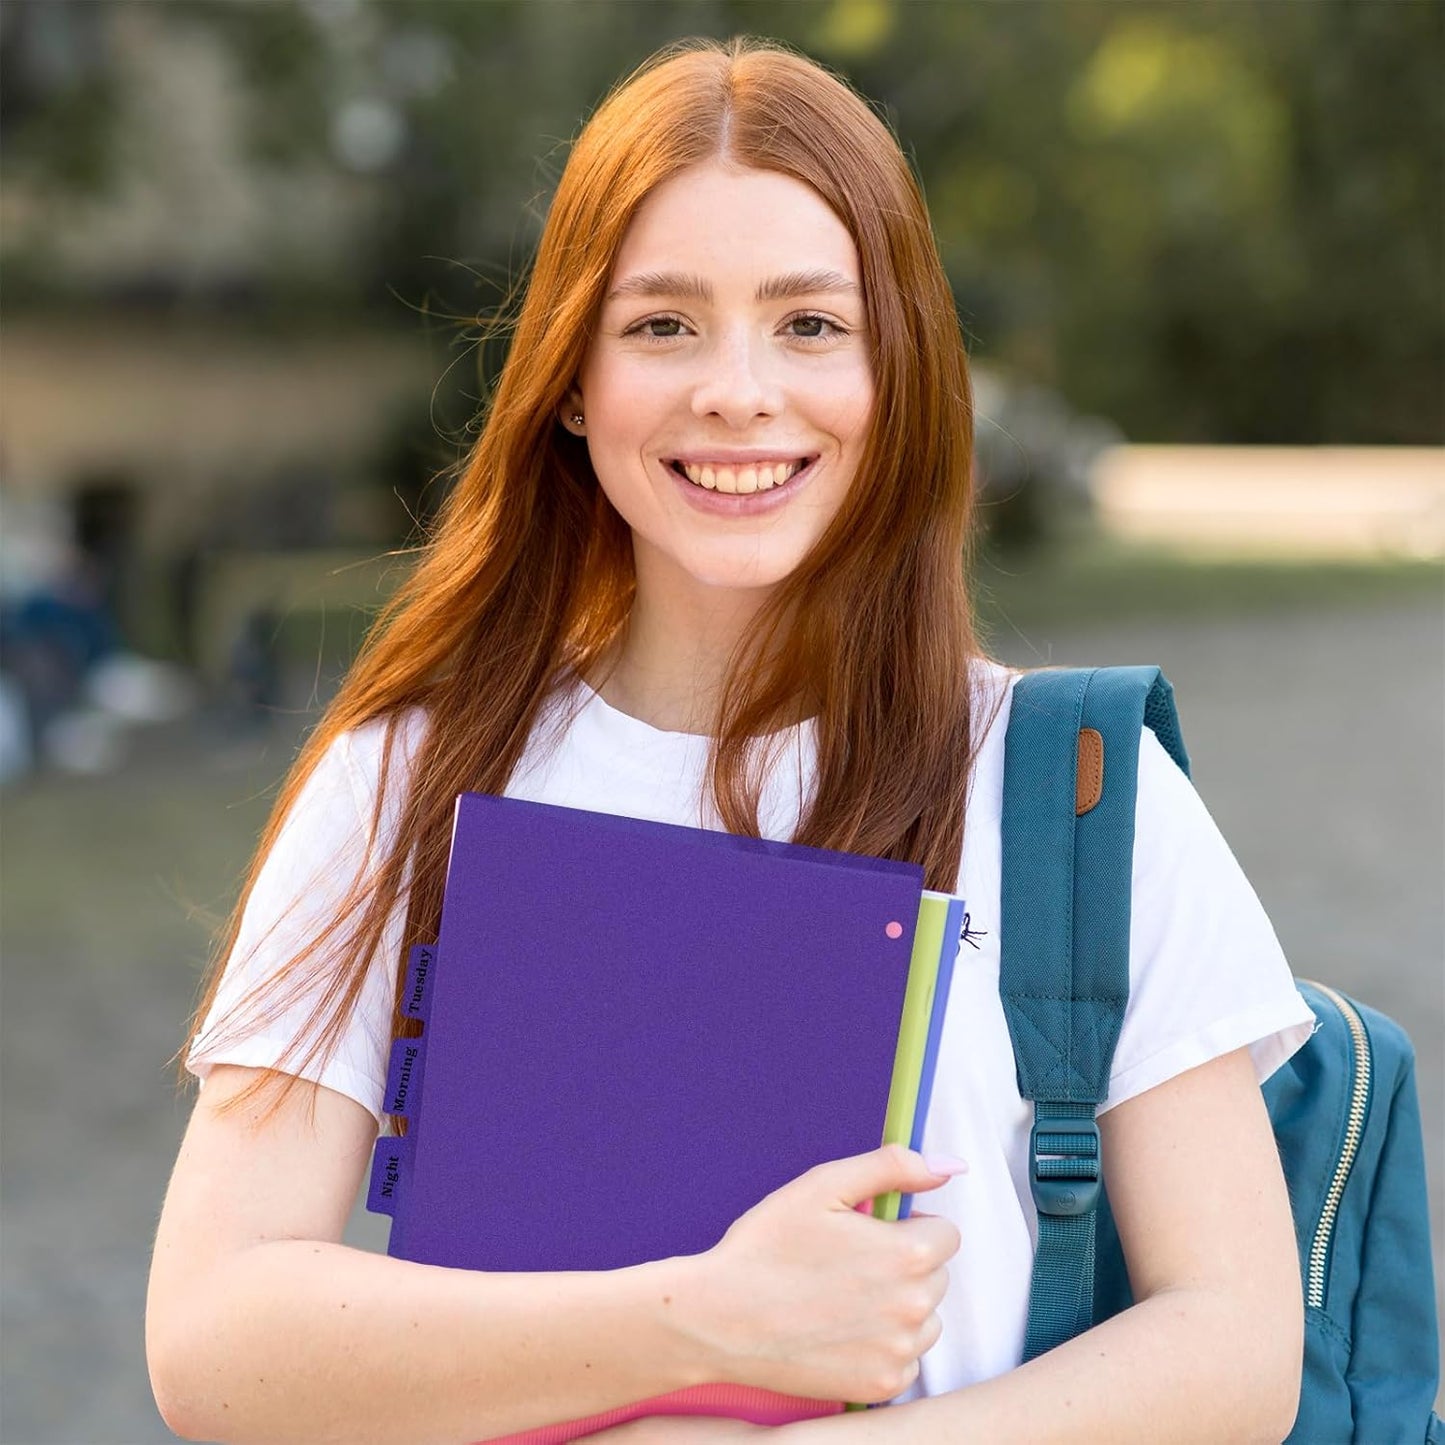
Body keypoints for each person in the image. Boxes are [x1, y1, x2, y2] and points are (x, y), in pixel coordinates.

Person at [146, 36, 1316, 1445]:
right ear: (570, 380)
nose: (737, 391)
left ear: (900, 373)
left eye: (810, 324)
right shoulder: (411, 778)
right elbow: (211, 1339)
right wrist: (700, 1316)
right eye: (662, 325)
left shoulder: (1068, 791)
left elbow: (1234, 1347)